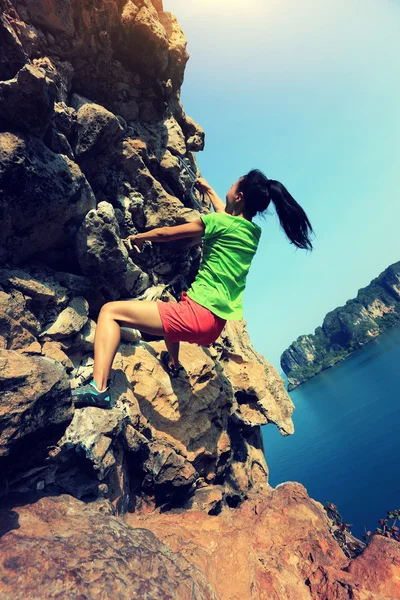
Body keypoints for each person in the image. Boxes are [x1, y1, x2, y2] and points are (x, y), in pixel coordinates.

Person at [72, 169, 314, 408]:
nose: (228, 189)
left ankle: (99, 389)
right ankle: (174, 364)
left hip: (197, 317)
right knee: (170, 311)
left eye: (232, 185)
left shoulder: (218, 222)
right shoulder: (252, 233)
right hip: (214, 326)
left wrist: (140, 237)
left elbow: (168, 233)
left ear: (239, 196)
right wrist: (208, 189)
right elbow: (226, 215)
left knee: (109, 312)